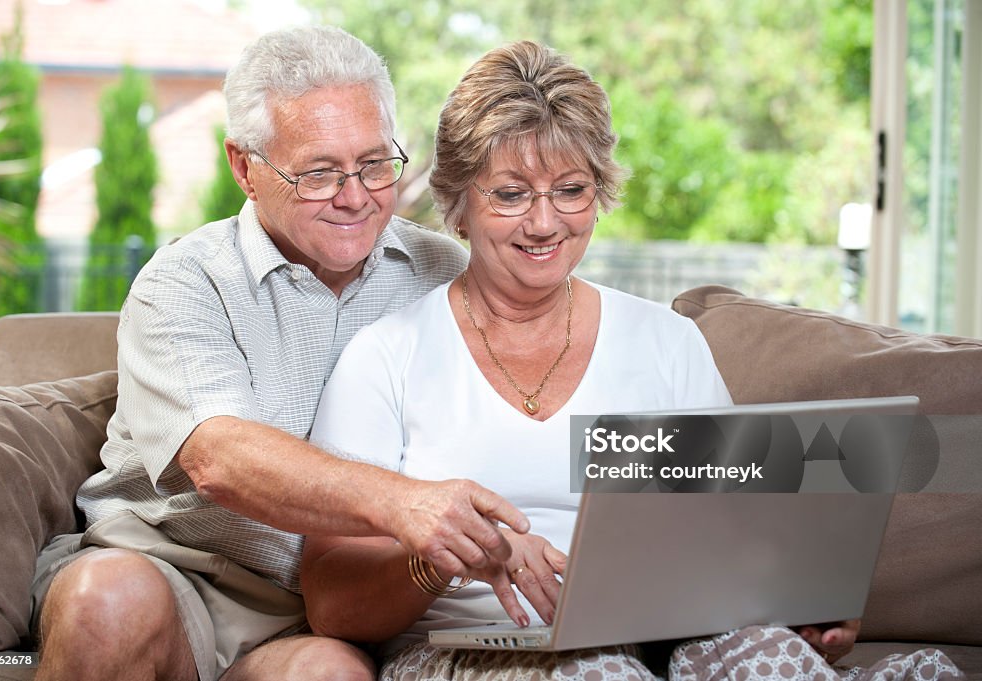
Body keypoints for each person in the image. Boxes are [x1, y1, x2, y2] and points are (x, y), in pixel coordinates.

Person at [300, 41, 966, 681]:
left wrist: (802, 606)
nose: (544, 223)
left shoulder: (665, 341)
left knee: (772, 659)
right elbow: (331, 604)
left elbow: (737, 546)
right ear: (459, 203)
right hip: (467, 652)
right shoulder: (387, 356)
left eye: (571, 190)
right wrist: (445, 553)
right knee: (598, 671)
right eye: (510, 194)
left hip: (663, 643)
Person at [29, 26, 532, 681]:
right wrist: (401, 502)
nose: (356, 197)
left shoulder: (445, 275)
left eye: (375, 164)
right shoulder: (185, 281)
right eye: (320, 173)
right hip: (167, 567)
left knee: (330, 674)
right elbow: (220, 458)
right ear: (245, 167)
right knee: (109, 603)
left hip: (325, 607)